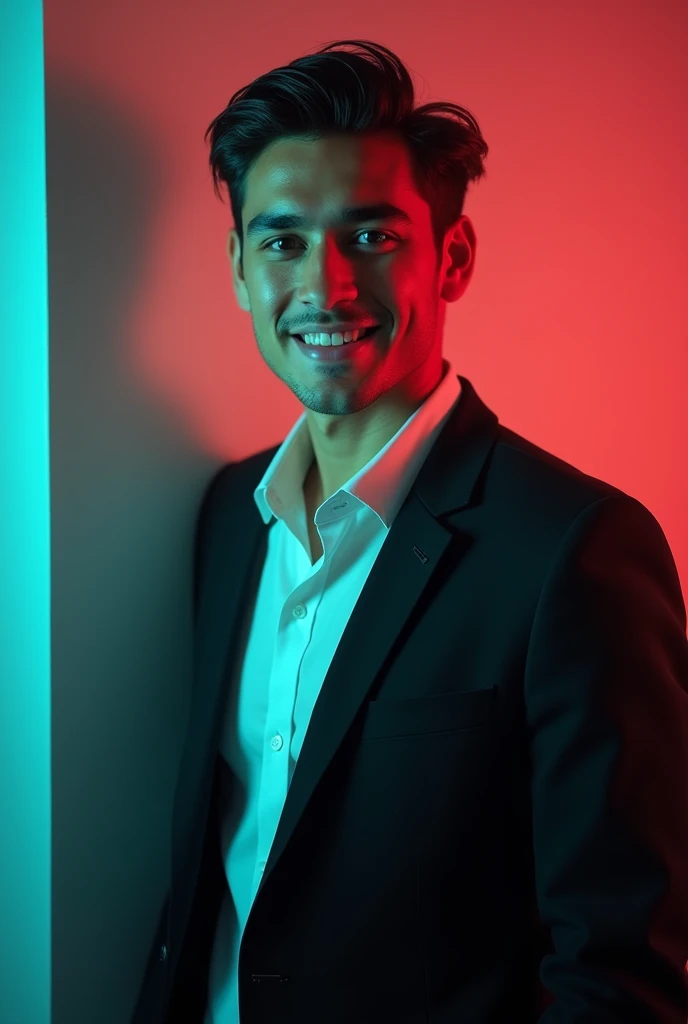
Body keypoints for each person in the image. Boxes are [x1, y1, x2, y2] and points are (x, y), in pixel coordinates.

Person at [131, 38, 688, 1024]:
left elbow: (619, 967)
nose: (327, 286)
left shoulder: (575, 549)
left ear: (453, 258)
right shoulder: (226, 515)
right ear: (238, 267)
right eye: (283, 239)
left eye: (372, 237)